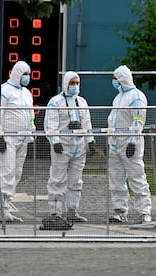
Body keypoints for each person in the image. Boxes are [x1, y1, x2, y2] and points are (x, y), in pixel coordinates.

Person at [41, 71, 95, 230]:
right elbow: (50, 124)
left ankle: (72, 210)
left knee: (76, 181)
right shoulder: (55, 102)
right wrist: (55, 141)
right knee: (57, 180)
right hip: (62, 148)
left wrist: (90, 141)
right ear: (65, 83)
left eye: (77, 83)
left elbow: (87, 123)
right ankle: (55, 212)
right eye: (72, 83)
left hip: (79, 148)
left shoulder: (82, 102)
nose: (75, 86)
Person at [108, 65, 152, 223]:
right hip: (115, 143)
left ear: (122, 79)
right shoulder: (118, 97)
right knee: (116, 178)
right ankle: (120, 210)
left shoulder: (136, 96)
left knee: (137, 177)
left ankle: (144, 212)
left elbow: (138, 121)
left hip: (130, 143)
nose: (113, 81)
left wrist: (132, 141)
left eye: (115, 78)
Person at [0, 60, 36, 222]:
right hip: (8, 138)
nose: (27, 77)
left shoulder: (26, 93)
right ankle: (0, 208)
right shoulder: (4, 90)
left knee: (17, 173)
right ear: (17, 73)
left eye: (28, 74)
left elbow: (30, 114)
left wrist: (31, 132)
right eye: (24, 74)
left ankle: (7, 207)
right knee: (7, 172)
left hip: (23, 138)